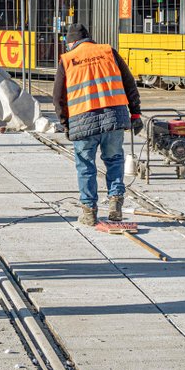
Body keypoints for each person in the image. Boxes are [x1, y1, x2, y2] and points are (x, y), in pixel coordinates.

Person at [53, 22, 142, 226]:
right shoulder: (108, 51)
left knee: (85, 167)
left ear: (71, 42)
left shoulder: (67, 59)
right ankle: (115, 204)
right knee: (114, 161)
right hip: (114, 119)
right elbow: (130, 83)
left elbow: (58, 98)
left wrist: (66, 124)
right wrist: (136, 114)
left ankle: (89, 212)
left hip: (83, 121)